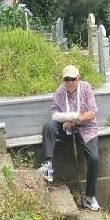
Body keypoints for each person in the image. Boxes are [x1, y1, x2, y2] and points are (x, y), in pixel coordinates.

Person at [38, 65, 101, 211]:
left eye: (73, 79)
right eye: (67, 79)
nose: (70, 82)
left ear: (78, 78)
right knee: (48, 127)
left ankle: (90, 196)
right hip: (66, 128)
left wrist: (75, 120)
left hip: (85, 128)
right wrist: (66, 120)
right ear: (63, 80)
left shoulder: (86, 88)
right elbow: (54, 113)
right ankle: (47, 167)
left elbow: (92, 112)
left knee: (94, 159)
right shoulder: (59, 93)